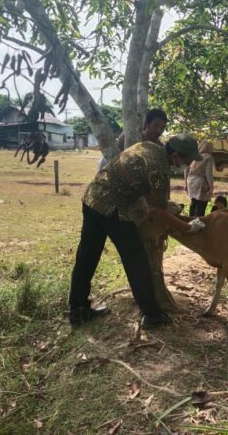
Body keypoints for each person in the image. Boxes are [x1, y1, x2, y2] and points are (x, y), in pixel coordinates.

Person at [70, 133, 205, 328]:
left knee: (87, 256)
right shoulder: (159, 168)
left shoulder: (149, 146)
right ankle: (152, 315)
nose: (188, 164)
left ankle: (78, 310)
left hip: (92, 198)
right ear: (176, 155)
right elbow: (160, 211)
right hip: (114, 209)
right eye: (187, 160)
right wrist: (188, 227)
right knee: (137, 260)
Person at [98, 108, 167, 171]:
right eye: (155, 126)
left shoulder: (158, 146)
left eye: (162, 128)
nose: (159, 131)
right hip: (107, 168)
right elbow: (115, 156)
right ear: (146, 124)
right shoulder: (131, 135)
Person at [184, 140, 215, 217]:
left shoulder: (195, 156)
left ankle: (190, 221)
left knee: (193, 203)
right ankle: (198, 222)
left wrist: (186, 184)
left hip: (190, 181)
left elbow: (186, 170)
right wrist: (211, 187)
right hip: (200, 182)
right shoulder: (208, 157)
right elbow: (208, 174)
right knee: (201, 205)